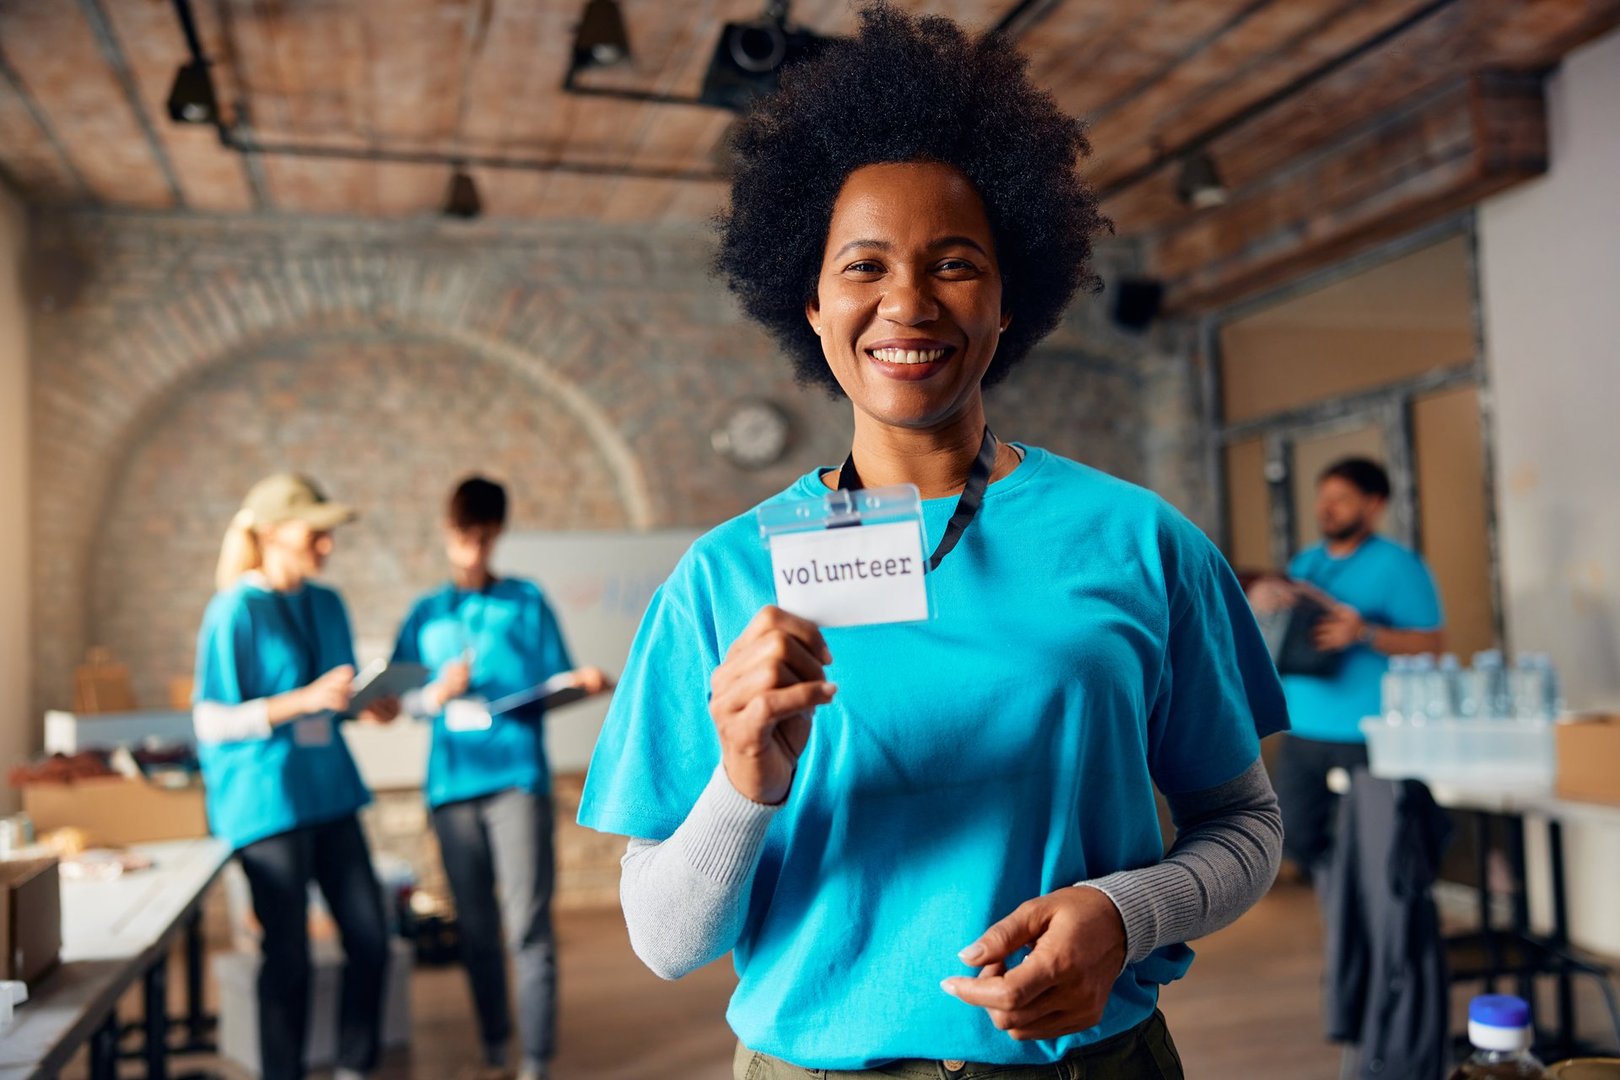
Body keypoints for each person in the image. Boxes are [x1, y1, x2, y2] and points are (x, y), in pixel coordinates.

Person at [576, 7, 1289, 1078]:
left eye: (954, 263)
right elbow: (668, 941)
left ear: (1009, 301)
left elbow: (1243, 824)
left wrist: (1123, 912)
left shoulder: (1144, 542)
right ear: (809, 303)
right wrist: (743, 782)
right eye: (862, 267)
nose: (907, 303)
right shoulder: (724, 578)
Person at [392, 476, 610, 1080]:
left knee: (529, 927)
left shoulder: (527, 601)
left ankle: (536, 1061)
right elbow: (399, 703)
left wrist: (580, 684)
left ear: (498, 535)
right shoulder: (424, 615)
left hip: (517, 781)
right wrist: (436, 693)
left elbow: (557, 680)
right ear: (446, 533)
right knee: (477, 931)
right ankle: (494, 1046)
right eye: (465, 536)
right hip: (451, 790)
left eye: (486, 537)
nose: (475, 548)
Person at [193, 473, 400, 1080]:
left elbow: (333, 701)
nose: (328, 546)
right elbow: (210, 722)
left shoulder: (328, 603)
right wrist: (302, 701)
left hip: (330, 791)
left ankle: (354, 1069)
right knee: (288, 956)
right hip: (265, 804)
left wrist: (368, 704)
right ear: (271, 534)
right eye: (317, 533)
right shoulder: (233, 609)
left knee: (371, 938)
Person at [1246, 457, 1445, 881]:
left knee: (1380, 846)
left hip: (1367, 732)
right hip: (1301, 728)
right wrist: (1262, 594)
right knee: (1295, 838)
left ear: (1374, 504)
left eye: (1340, 499)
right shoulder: (1305, 563)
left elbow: (1433, 646)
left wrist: (1364, 633)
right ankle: (1343, 900)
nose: (1326, 508)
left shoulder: (1399, 566)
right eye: (1322, 498)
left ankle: (1372, 915)